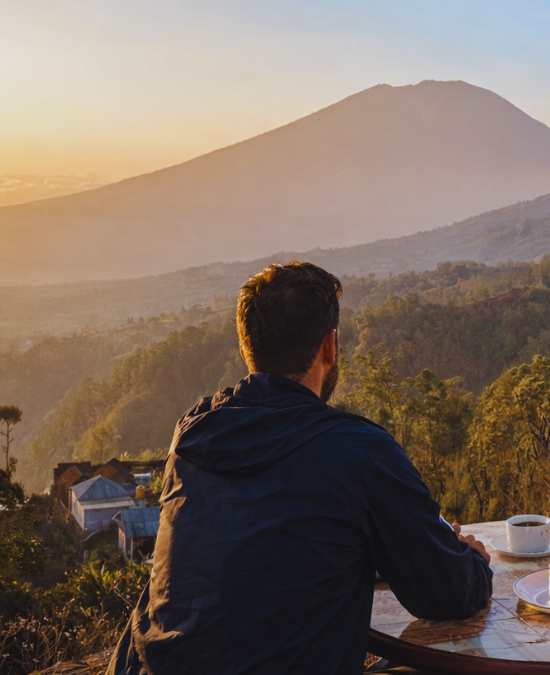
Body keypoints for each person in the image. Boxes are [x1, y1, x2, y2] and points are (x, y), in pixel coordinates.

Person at [108, 262, 493, 675]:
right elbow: (446, 594)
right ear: (330, 346)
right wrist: (470, 561)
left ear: (246, 350)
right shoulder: (358, 452)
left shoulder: (193, 438)